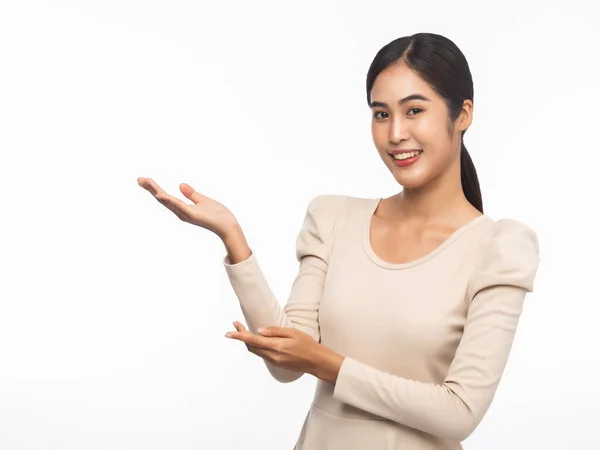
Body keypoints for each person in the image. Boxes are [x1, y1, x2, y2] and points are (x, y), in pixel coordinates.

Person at [137, 32, 540, 450]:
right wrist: (233, 237)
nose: (396, 133)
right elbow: (288, 364)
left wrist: (328, 364)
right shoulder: (332, 219)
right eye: (381, 114)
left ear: (463, 114)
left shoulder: (500, 248)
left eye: (414, 110)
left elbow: (458, 413)